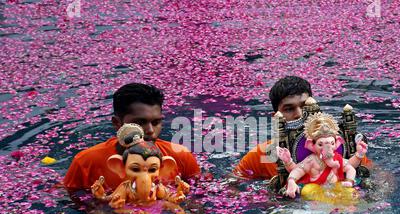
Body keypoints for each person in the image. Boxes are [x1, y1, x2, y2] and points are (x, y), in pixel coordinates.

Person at [64, 83, 200, 194]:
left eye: (156, 122)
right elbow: (71, 199)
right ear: (117, 123)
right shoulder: (85, 162)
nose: (150, 131)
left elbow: (198, 195)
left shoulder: (181, 156)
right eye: (140, 123)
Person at [233, 76, 371, 180]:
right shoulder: (263, 154)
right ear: (276, 117)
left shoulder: (342, 146)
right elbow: (233, 183)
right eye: (289, 109)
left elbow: (377, 177)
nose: (300, 114)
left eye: (305, 106)